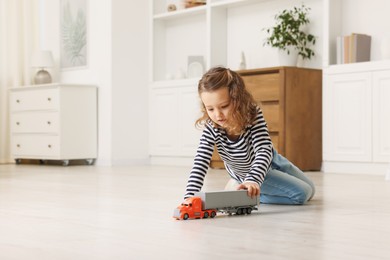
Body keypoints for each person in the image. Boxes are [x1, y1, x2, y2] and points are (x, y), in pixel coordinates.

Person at [183, 66, 315, 205]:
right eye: (210, 109)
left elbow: (263, 149)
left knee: (311, 189)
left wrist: (254, 179)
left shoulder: (252, 114)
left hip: (269, 160)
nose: (217, 115)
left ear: (237, 99)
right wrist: (189, 197)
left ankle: (243, 188)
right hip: (248, 174)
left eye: (224, 106)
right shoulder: (212, 126)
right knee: (302, 194)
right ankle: (246, 193)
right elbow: (200, 162)